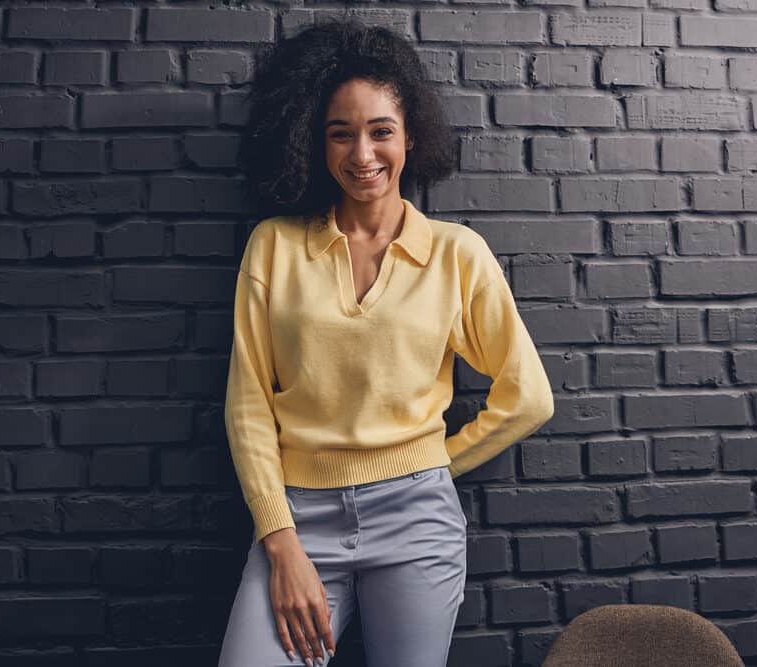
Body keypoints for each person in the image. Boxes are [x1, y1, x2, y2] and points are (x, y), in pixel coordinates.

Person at [217, 17, 555, 667]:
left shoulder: (458, 255)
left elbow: (529, 398)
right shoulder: (275, 246)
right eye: (339, 133)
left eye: (381, 131)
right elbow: (248, 404)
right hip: (297, 520)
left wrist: (431, 464)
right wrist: (280, 539)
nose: (361, 154)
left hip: (416, 523)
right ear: (313, 142)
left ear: (412, 137)